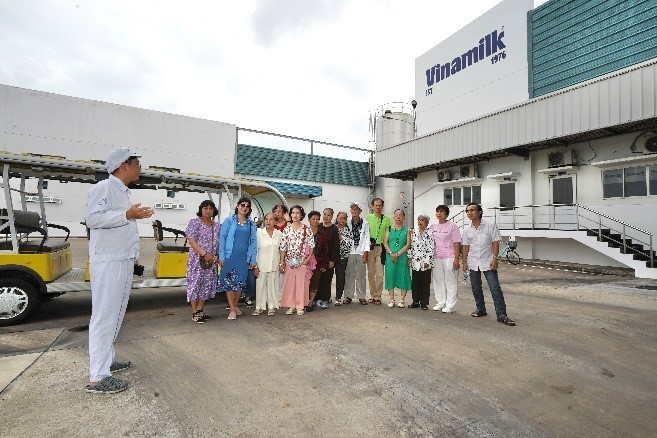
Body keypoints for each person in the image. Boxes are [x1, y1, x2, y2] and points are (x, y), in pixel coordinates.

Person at [85, 148, 154, 394]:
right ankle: (98, 377)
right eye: (136, 163)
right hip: (109, 261)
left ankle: (107, 360)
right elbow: (93, 219)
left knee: (116, 313)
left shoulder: (123, 191)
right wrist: (127, 214)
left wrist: (134, 255)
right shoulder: (103, 188)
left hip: (122, 260)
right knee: (104, 315)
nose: (139, 168)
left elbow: (126, 227)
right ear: (124, 165)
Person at [461, 202, 516, 326]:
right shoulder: (466, 230)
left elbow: (495, 243)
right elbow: (465, 247)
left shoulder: (490, 225)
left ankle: (501, 314)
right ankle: (481, 309)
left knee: (495, 288)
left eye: (472, 210)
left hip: (488, 261)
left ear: (479, 212)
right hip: (473, 262)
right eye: (467, 211)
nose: (469, 213)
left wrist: (495, 259)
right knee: (476, 288)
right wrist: (464, 262)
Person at [218, 196, 258, 320]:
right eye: (242, 205)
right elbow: (223, 238)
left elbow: (253, 242)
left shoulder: (251, 224)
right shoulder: (229, 220)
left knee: (239, 284)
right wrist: (222, 256)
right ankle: (231, 309)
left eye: (247, 206)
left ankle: (235, 306)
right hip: (230, 257)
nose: (244, 208)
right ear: (237, 206)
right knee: (229, 283)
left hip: (243, 258)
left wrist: (252, 259)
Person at [186, 200, 220, 323]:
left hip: (210, 261)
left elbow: (219, 243)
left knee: (206, 285)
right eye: (205, 208)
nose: (208, 211)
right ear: (201, 210)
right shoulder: (194, 223)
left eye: (210, 209)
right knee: (195, 284)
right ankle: (194, 312)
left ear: (214, 211)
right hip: (196, 260)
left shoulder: (216, 226)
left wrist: (216, 256)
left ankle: (200, 310)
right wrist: (204, 254)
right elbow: (192, 240)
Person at [280, 205, 315, 315]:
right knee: (290, 284)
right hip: (289, 261)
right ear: (290, 214)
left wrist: (308, 259)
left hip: (302, 261)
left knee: (301, 284)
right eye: (293, 213)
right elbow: (283, 247)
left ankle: (300, 306)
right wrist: (282, 262)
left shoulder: (306, 229)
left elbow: (312, 245)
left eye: (297, 213)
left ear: (301, 215)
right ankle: (291, 306)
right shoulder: (287, 229)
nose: (295, 215)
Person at [429, 205, 461, 313]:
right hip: (436, 256)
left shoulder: (453, 226)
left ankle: (450, 305)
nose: (439, 213)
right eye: (437, 211)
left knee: (450, 281)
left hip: (449, 256)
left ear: (446, 214)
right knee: (438, 280)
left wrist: (456, 258)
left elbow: (457, 243)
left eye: (441, 211)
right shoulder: (432, 226)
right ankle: (441, 302)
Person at [253, 212, 283, 316]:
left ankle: (271, 306)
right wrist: (255, 265)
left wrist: (281, 263)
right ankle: (259, 307)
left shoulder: (279, 234)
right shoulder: (259, 233)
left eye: (271, 219)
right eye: (266, 219)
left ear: (275, 222)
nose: (268, 221)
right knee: (260, 286)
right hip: (261, 264)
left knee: (272, 286)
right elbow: (255, 249)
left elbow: (282, 249)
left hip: (274, 264)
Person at [383, 208, 411, 308]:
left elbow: (408, 244)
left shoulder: (407, 230)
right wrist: (391, 253)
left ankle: (402, 299)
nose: (398, 217)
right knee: (390, 275)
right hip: (390, 256)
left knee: (403, 276)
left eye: (400, 215)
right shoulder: (389, 229)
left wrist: (398, 254)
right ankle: (391, 298)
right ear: (393, 216)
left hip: (402, 256)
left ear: (404, 217)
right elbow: (385, 242)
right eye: (396, 215)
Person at [366, 198, 391, 305]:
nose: (378, 207)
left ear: (382, 206)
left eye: (380, 205)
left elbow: (389, 234)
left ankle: (378, 296)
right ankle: (372, 294)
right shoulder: (368, 218)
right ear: (372, 206)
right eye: (376, 205)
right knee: (371, 272)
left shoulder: (387, 219)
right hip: (370, 247)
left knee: (380, 273)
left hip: (381, 247)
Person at [344, 202, 370, 305]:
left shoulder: (365, 223)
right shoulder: (347, 222)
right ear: (350, 211)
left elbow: (367, 237)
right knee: (349, 274)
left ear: (360, 211)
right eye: (352, 209)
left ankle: (362, 296)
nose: (354, 211)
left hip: (361, 251)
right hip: (350, 251)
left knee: (361, 275)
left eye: (356, 209)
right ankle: (348, 295)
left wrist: (366, 252)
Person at [408, 214, 435, 310]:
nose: (420, 222)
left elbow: (431, 247)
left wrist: (427, 260)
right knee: (415, 282)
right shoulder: (414, 232)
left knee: (425, 282)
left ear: (427, 222)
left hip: (426, 262)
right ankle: (415, 301)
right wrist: (410, 258)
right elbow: (411, 246)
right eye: (419, 220)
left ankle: (424, 303)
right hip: (416, 261)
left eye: (422, 220)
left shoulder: (430, 233)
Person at [315, 208, 339, 309]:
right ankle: (316, 299)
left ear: (332, 217)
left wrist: (332, 260)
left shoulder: (334, 229)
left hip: (328, 259)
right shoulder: (318, 226)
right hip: (318, 259)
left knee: (326, 279)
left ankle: (325, 299)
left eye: (328, 215)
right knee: (317, 279)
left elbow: (335, 245)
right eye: (324, 214)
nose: (326, 216)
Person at [334, 211, 352, 306]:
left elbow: (349, 244)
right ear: (337, 218)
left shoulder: (347, 230)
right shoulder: (333, 228)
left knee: (340, 277)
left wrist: (341, 237)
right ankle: (325, 297)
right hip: (331, 257)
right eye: (340, 218)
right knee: (327, 278)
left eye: (344, 218)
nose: (342, 220)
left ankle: (338, 297)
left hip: (342, 257)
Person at [306, 211, 322, 312]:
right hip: (306, 261)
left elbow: (325, 250)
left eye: (317, 219)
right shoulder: (305, 232)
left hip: (318, 262)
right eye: (313, 219)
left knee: (314, 283)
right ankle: (303, 301)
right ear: (309, 220)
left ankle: (311, 302)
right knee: (305, 282)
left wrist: (324, 263)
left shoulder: (322, 234)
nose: (315, 221)